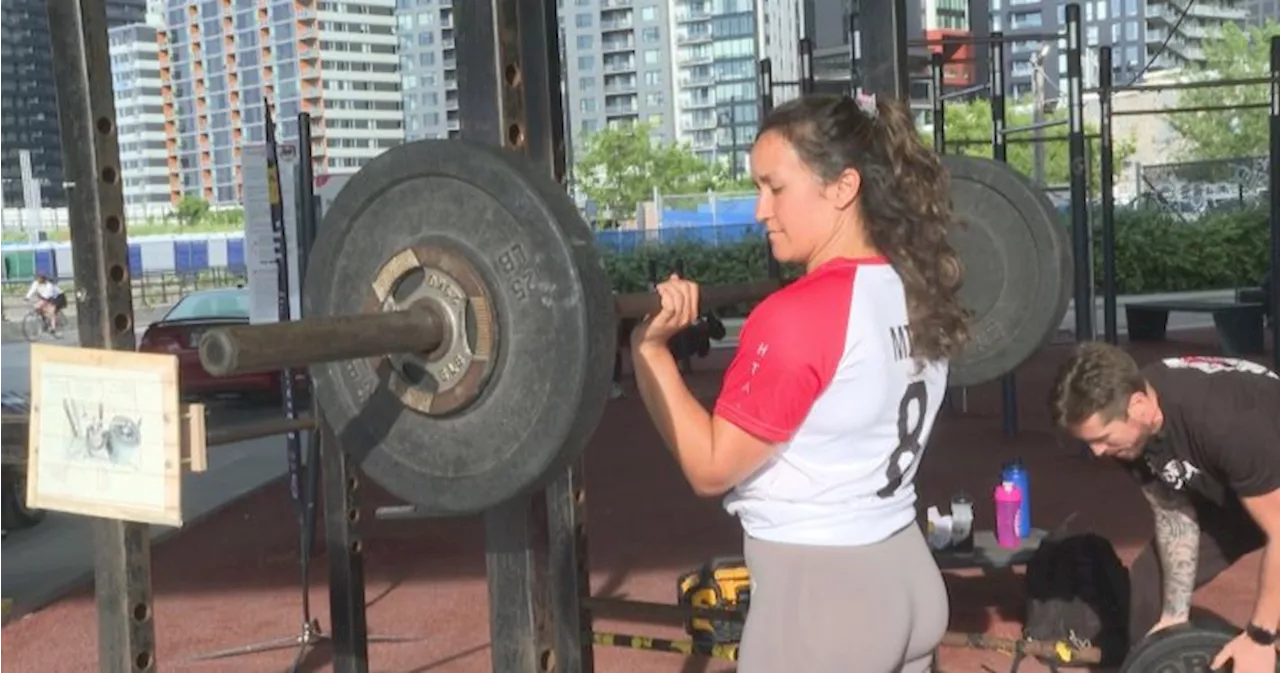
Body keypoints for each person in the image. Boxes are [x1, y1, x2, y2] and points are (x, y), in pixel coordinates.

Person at [628, 91, 971, 672]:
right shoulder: (914, 290)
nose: (760, 210)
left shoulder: (799, 314)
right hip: (906, 574)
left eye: (775, 188)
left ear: (843, 187)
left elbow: (711, 467)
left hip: (823, 601)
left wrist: (649, 350)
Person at [1049, 341, 1280, 673]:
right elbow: (1173, 512)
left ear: (1140, 405)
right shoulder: (1131, 434)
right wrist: (1172, 618)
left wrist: (1260, 636)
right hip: (1231, 487)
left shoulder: (1227, 423)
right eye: (1089, 442)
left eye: (1103, 438)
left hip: (1268, 476)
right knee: (1150, 586)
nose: (1097, 453)